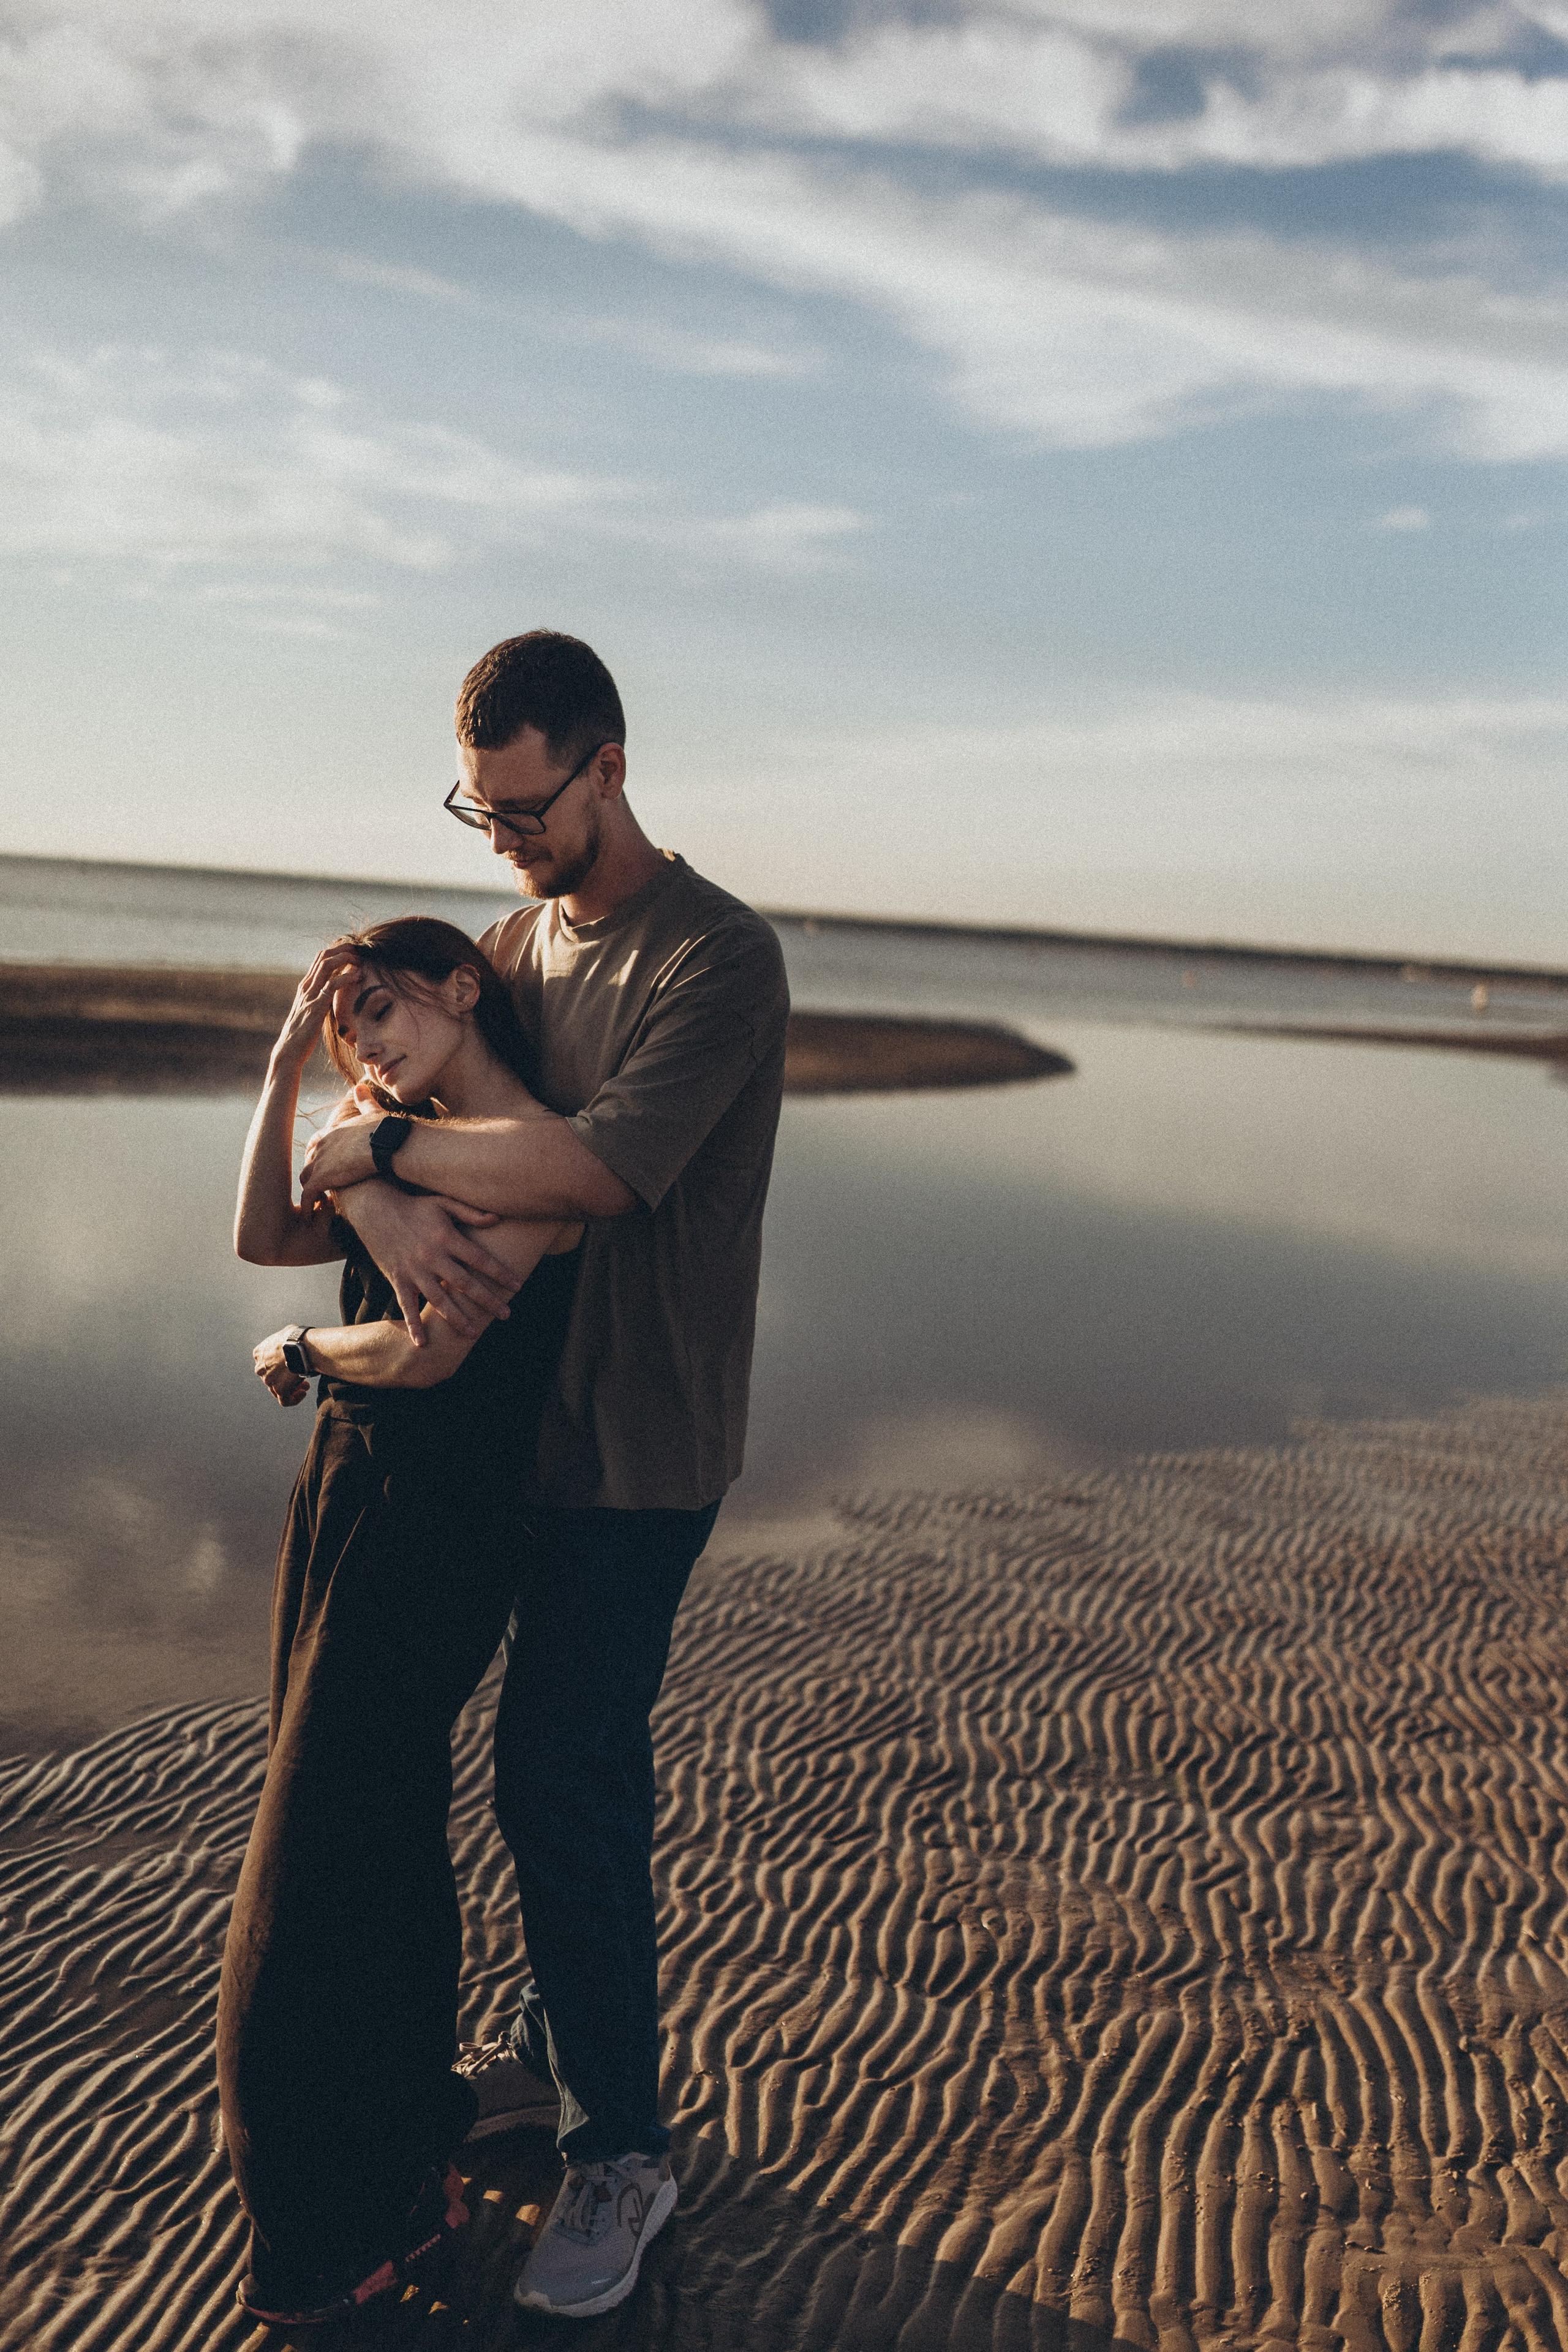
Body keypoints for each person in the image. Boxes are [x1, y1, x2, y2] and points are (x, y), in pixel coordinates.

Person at [296, 630, 790, 2320]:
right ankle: (544, 2054)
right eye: (478, 809)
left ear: (611, 767)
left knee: (560, 1776)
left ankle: (626, 2149)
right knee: (445, 1765)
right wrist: (369, 1173)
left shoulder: (718, 959)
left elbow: (593, 1164)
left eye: (523, 809)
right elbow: (372, 1123)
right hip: (487, 1432)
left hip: (639, 1446)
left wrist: (386, 1150)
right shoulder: (504, 943)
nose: (500, 844)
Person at [217, 916, 583, 2328]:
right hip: (345, 1499)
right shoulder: (402, 1135)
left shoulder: (531, 1156)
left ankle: (322, 2223)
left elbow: (429, 1350)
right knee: (371, 1837)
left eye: (375, 1008)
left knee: (311, 1865)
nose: (360, 1042)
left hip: (438, 1522)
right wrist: (280, 1086)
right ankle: (401, 2145)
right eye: (339, 1028)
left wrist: (309, 1347)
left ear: (460, 985)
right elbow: (262, 1232)